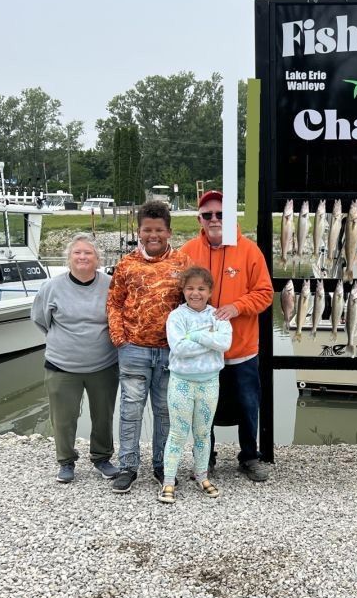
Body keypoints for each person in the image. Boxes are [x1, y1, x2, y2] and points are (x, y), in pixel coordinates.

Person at [179, 190, 274, 481]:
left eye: (220, 214)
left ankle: (249, 456)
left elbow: (265, 293)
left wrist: (237, 306)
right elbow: (174, 295)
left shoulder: (249, 250)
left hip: (241, 349)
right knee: (202, 408)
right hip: (202, 352)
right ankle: (205, 457)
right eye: (208, 215)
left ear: (230, 217)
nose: (214, 219)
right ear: (200, 219)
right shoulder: (187, 252)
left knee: (248, 405)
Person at [107, 200, 191, 494]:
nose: (152, 235)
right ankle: (127, 466)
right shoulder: (126, 264)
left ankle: (162, 464)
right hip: (133, 350)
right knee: (130, 410)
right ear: (139, 231)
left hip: (170, 352)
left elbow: (191, 304)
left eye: (159, 230)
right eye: (147, 230)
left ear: (168, 232)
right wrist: (120, 338)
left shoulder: (183, 264)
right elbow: (114, 303)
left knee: (165, 411)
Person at [31, 234, 119, 483]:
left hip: (103, 365)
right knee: (63, 417)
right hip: (62, 366)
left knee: (103, 415)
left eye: (88, 253)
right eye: (77, 253)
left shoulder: (110, 284)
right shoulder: (52, 287)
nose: (83, 257)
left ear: (97, 258)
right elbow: (40, 319)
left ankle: (102, 457)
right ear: (68, 258)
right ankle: (66, 461)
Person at [158, 266, 232, 503]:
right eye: (190, 288)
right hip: (181, 382)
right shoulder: (176, 317)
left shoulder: (218, 316)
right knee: (178, 433)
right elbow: (178, 348)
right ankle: (168, 480)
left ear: (210, 291)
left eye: (201, 288)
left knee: (202, 433)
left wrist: (196, 336)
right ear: (183, 290)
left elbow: (226, 343)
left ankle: (202, 475)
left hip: (209, 382)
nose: (195, 293)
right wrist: (211, 341)